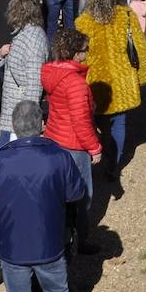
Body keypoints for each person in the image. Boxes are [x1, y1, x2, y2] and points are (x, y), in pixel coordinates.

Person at [0, 100, 86, 292]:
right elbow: (76, 193)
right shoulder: (60, 157)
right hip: (51, 245)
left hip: (12, 248)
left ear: (14, 127)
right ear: (42, 124)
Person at [74, 0, 146, 177]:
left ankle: (100, 151)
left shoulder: (83, 22)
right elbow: (140, 49)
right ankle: (113, 166)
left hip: (95, 80)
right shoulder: (127, 16)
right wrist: (142, 76)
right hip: (122, 79)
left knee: (96, 121)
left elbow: (78, 55)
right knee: (119, 123)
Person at [41, 29, 102, 254]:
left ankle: (59, 234)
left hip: (54, 138)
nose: (87, 53)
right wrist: (94, 147)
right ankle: (79, 241)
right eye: (85, 50)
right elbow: (81, 121)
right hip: (74, 146)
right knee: (82, 195)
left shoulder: (51, 73)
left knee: (58, 193)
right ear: (76, 54)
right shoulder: (76, 84)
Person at [0, 0, 49, 148]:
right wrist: (1, 55)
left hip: (20, 115)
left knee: (4, 155)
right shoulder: (24, 33)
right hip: (13, 109)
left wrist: (26, 124)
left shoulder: (33, 41)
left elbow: (34, 85)